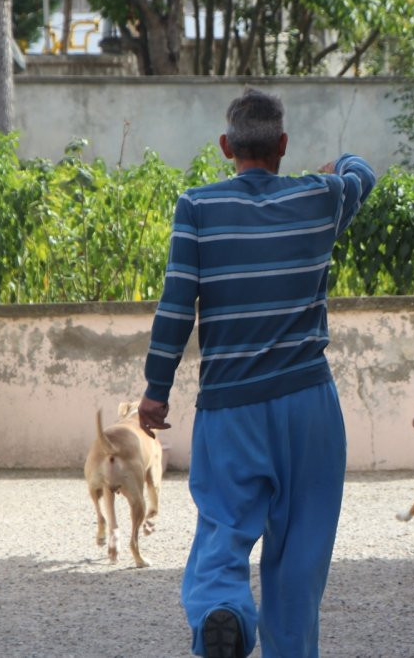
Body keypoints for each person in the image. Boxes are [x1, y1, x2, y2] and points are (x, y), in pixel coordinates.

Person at [137, 87, 376, 658]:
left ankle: (224, 611)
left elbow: (176, 305)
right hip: (309, 405)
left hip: (231, 405)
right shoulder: (321, 198)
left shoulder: (198, 206)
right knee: (300, 554)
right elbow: (363, 172)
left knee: (223, 529)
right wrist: (336, 165)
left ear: (226, 147)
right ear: (283, 145)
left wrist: (155, 392)